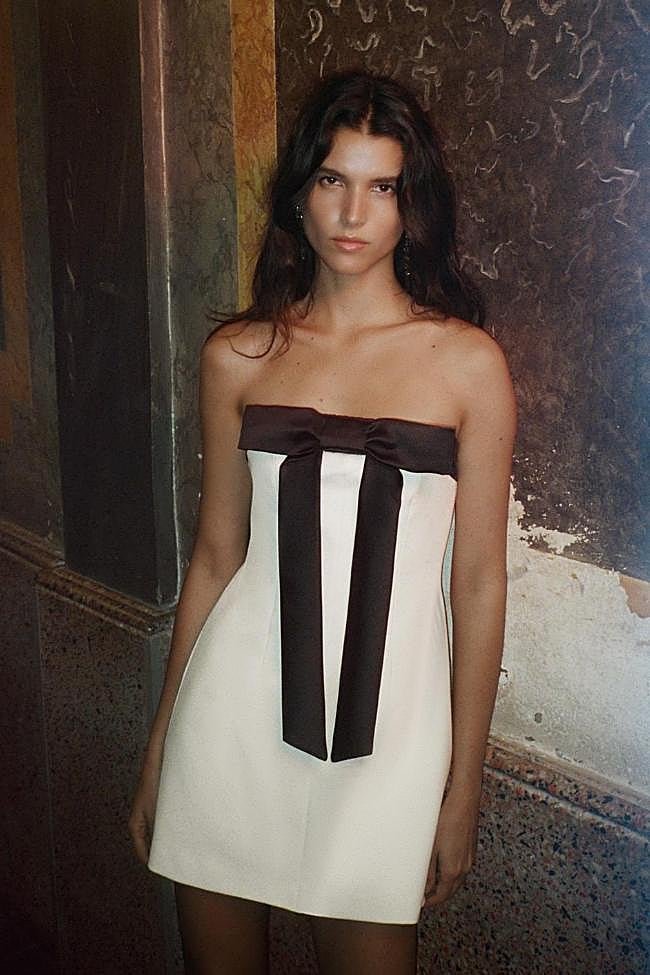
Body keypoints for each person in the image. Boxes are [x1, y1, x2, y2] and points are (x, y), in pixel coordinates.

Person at [129, 69, 516, 974]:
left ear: (412, 206)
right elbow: (216, 558)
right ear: (299, 192)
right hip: (231, 718)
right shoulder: (238, 355)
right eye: (333, 178)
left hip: (391, 740)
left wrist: (463, 787)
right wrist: (160, 746)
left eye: (382, 186)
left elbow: (479, 583)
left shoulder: (467, 365)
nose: (352, 212)